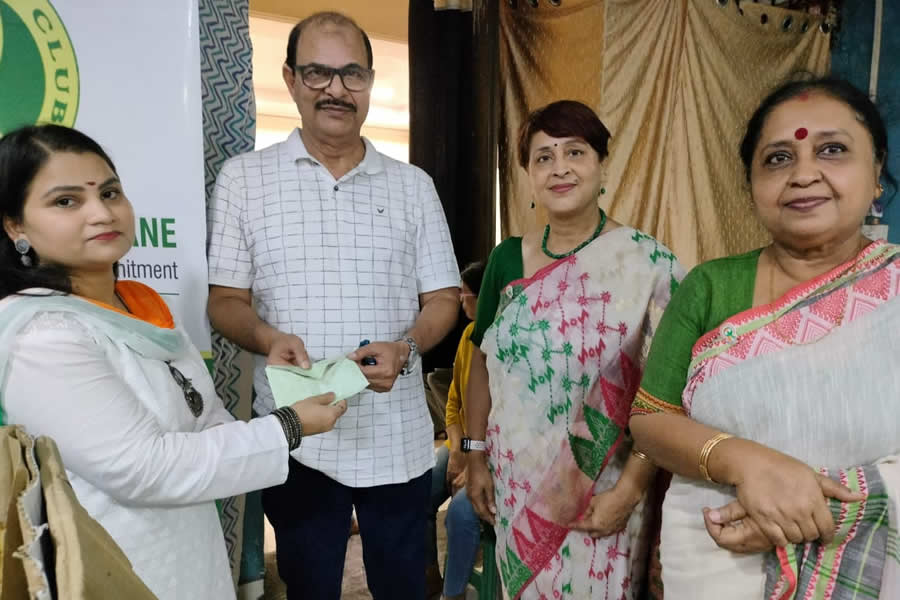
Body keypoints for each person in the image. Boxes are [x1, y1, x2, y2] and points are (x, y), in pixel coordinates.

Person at [0, 124, 348, 600]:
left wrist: (295, 398)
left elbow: (207, 421)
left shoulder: (142, 308)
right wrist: (287, 427)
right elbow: (142, 468)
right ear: (15, 225)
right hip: (113, 566)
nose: (101, 212)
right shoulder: (42, 334)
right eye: (66, 201)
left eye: (109, 191)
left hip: (188, 556)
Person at [205, 11, 460, 599]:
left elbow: (443, 297)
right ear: (291, 79)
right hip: (299, 433)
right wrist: (269, 339)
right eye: (318, 73)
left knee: (403, 584)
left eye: (352, 75)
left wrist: (409, 345)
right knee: (310, 584)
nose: (336, 90)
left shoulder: (413, 185)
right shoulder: (245, 179)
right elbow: (225, 301)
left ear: (370, 83)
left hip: (394, 436)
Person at [630, 77, 900, 598]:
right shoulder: (710, 285)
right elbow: (649, 419)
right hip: (717, 558)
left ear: (877, 177)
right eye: (777, 158)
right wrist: (749, 463)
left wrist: (821, 511)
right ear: (751, 184)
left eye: (833, 150)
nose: (803, 174)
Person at [464, 100, 685, 599]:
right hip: (516, 484)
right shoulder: (505, 260)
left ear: (601, 164)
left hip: (605, 487)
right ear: (527, 175)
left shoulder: (649, 265)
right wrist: (475, 456)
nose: (559, 167)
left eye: (575, 152)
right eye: (542, 157)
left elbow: (666, 391)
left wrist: (628, 491)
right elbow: (482, 364)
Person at [427, 260, 486, 600]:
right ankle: (429, 575)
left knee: (462, 512)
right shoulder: (467, 335)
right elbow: (453, 404)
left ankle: (453, 593)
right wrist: (457, 452)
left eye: (464, 294)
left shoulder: (507, 344)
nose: (460, 302)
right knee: (421, 491)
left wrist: (477, 460)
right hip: (464, 441)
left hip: (496, 451)